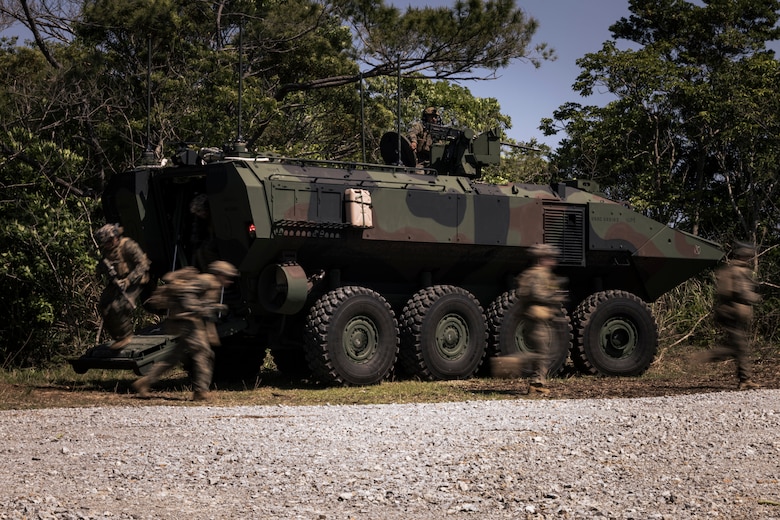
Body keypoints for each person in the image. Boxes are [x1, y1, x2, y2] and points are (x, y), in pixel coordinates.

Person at [132, 261, 239, 401]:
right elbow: (186, 293)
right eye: (227, 276)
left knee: (173, 358)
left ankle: (144, 382)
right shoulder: (207, 281)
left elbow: (202, 302)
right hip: (186, 321)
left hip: (185, 321)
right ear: (219, 274)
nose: (229, 280)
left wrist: (214, 308)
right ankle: (201, 391)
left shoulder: (213, 284)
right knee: (203, 354)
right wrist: (200, 309)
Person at [491, 244, 564, 395]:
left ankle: (536, 384)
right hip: (536, 320)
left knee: (545, 352)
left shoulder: (541, 274)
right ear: (542, 259)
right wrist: (552, 296)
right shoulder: (536, 274)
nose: (552, 261)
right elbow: (535, 294)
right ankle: (514, 368)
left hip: (540, 319)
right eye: (549, 257)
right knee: (542, 353)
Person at [696, 242, 761, 390]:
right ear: (741, 255)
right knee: (739, 348)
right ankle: (703, 357)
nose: (749, 257)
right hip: (731, 315)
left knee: (737, 347)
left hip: (737, 315)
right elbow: (727, 292)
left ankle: (744, 379)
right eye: (747, 255)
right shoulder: (733, 271)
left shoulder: (741, 270)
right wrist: (752, 296)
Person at [95, 223, 150, 350]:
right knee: (104, 305)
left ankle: (126, 335)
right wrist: (102, 269)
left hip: (136, 280)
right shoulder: (106, 252)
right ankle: (118, 337)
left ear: (114, 238)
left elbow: (143, 264)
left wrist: (128, 280)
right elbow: (100, 269)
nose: (107, 246)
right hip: (117, 282)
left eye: (108, 242)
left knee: (120, 306)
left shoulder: (127, 245)